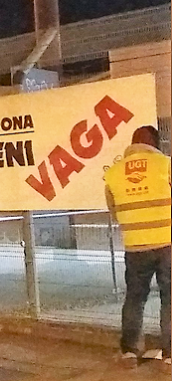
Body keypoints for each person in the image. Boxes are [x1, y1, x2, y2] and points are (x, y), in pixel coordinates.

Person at [104, 125, 170, 371]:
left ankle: (130, 352)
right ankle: (170, 357)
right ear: (154, 143)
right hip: (167, 244)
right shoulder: (166, 165)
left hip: (134, 246)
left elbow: (114, 210)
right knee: (170, 299)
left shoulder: (113, 173)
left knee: (134, 298)